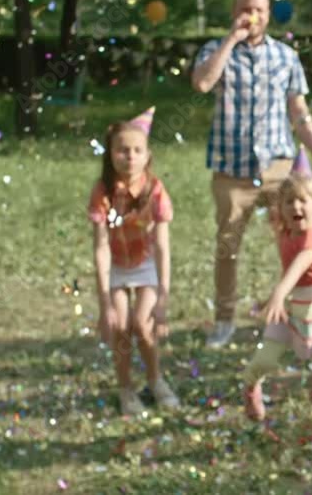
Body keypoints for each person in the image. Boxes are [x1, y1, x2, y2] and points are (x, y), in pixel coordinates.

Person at [191, 0, 312, 348]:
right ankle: (224, 320)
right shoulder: (214, 50)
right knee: (228, 247)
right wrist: (230, 41)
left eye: (259, 9)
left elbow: (299, 113)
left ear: (269, 14)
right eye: (245, 9)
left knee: (297, 240)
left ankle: (299, 312)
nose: (252, 16)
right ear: (235, 12)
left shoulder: (286, 57)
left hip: (279, 168)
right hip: (232, 172)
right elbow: (203, 83)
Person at [241, 153, 312, 467]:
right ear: (279, 210)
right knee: (264, 360)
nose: (296, 207)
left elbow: (297, 269)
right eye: (289, 202)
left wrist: (276, 295)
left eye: (303, 201)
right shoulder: (283, 230)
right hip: (290, 310)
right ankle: (250, 386)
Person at [89, 107, 180, 415]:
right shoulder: (103, 192)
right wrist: (105, 304)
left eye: (137, 150)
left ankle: (155, 379)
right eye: (122, 150)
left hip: (146, 262)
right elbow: (101, 247)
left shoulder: (155, 190)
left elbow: (163, 246)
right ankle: (126, 388)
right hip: (116, 265)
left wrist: (163, 297)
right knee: (121, 326)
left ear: (147, 155)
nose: (130, 156)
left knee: (144, 323)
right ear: (111, 153)